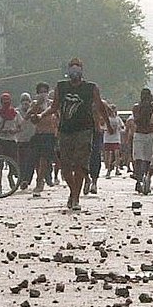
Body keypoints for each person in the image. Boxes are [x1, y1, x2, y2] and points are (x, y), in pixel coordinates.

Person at [43, 58, 105, 211]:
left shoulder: (90, 88)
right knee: (65, 168)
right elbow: (54, 106)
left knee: (79, 166)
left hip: (84, 131)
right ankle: (73, 191)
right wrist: (40, 116)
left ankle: (76, 198)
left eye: (77, 67)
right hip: (65, 131)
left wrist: (107, 125)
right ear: (68, 70)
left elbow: (100, 106)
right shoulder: (61, 87)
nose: (74, 70)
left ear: (82, 70)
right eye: (72, 67)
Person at [28, 82, 57, 197]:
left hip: (50, 135)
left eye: (45, 91)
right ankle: (41, 178)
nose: (43, 94)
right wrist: (37, 106)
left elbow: (57, 115)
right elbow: (28, 116)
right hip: (39, 134)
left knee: (45, 160)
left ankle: (40, 180)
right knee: (37, 160)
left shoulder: (51, 104)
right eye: (41, 92)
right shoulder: (35, 104)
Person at [131, 88, 153, 194]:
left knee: (148, 159)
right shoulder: (137, 107)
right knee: (138, 159)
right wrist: (144, 108)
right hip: (140, 134)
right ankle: (138, 180)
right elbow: (137, 120)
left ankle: (146, 179)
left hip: (150, 134)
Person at [103, 104, 123, 179]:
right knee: (108, 155)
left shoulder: (118, 119)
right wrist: (107, 129)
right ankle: (108, 169)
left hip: (116, 138)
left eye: (114, 109)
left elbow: (122, 126)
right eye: (111, 109)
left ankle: (117, 168)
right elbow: (103, 126)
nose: (113, 110)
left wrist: (119, 129)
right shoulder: (106, 118)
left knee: (117, 153)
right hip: (108, 138)